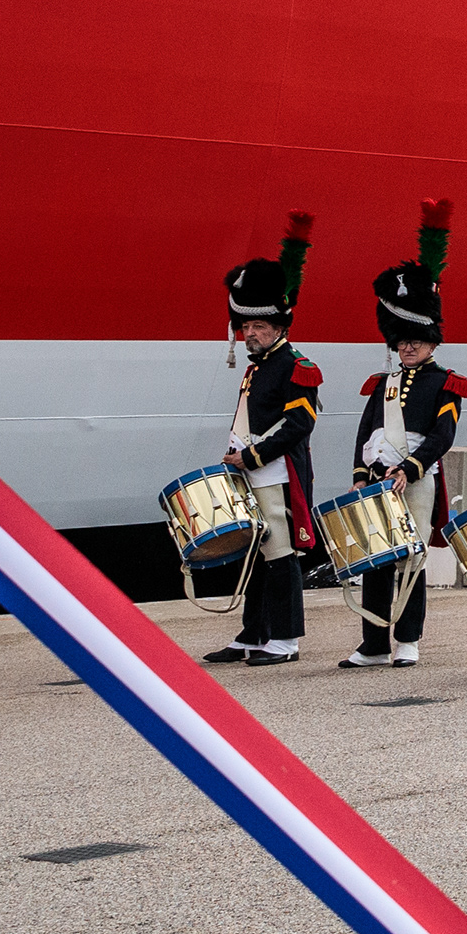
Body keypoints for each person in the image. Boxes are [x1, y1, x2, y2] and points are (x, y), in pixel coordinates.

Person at [342, 199, 465, 669]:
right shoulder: (383, 383)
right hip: (376, 477)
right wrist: (360, 472)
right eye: (402, 340)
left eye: (415, 340)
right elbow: (365, 430)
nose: (408, 346)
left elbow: (443, 435)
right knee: (375, 559)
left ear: (432, 341)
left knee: (410, 559)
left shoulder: (446, 382)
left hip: (414, 479)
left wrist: (409, 469)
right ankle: (373, 642)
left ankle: (408, 639)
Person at [209, 212, 323, 666]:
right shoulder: (259, 367)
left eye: (258, 326)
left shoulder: (297, 366)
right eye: (246, 326)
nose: (250, 332)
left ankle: (287, 639)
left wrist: (251, 455)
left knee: (281, 552)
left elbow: (299, 425)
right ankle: (254, 634)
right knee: (257, 553)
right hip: (251, 470)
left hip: (277, 472)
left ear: (278, 326)